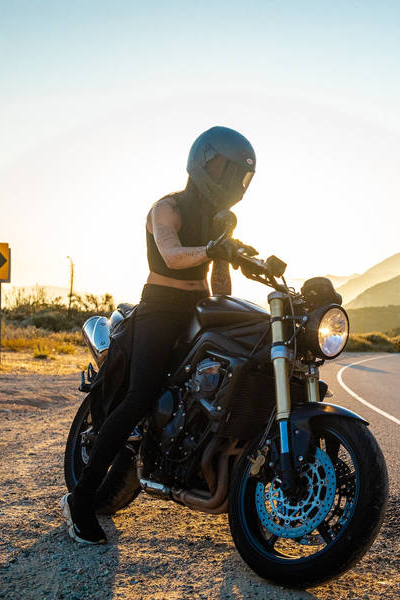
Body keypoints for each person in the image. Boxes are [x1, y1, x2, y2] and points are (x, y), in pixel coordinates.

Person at [62, 126, 256, 544]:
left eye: (239, 176)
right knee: (140, 396)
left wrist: (228, 267)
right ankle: (79, 501)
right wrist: (213, 249)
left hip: (201, 310)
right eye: (226, 170)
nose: (231, 182)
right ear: (206, 162)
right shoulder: (166, 208)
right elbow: (171, 254)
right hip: (161, 308)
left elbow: (219, 281)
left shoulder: (219, 217)